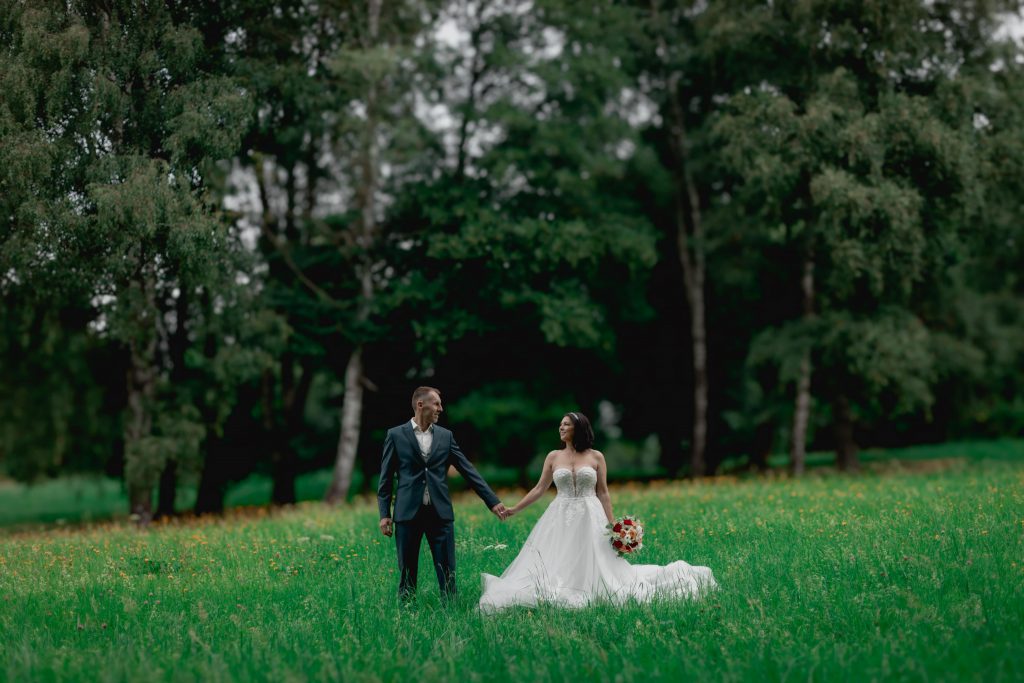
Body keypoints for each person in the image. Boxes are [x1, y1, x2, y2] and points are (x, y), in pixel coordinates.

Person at [478, 411, 717, 611]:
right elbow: (540, 488)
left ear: (579, 428)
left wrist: (615, 528)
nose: (561, 428)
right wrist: (514, 509)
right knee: (558, 554)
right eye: (560, 424)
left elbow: (603, 492)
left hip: (590, 513)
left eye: (566, 424)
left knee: (594, 557)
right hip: (560, 514)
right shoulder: (554, 456)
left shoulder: (596, 457)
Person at [378, 386, 509, 602]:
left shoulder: (446, 436)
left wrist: (492, 502)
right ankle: (407, 614)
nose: (441, 408)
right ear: (421, 405)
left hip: (440, 514)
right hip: (406, 514)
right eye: (436, 403)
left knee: (448, 571)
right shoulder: (395, 435)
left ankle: (451, 612)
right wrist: (384, 514)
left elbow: (468, 470)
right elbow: (385, 480)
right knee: (407, 572)